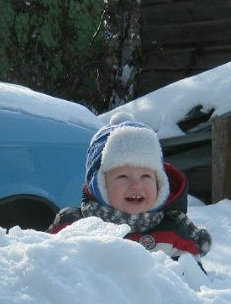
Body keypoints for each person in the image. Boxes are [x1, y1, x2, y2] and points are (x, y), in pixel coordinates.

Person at [48, 113, 212, 269]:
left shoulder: (175, 234)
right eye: (123, 176)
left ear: (159, 184)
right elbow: (47, 269)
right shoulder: (71, 225)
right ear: (100, 185)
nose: (136, 185)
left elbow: (192, 283)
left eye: (146, 176)